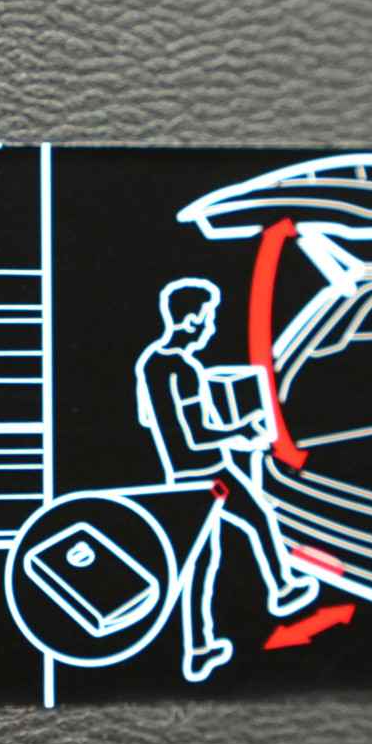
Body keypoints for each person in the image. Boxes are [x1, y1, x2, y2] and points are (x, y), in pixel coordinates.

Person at [134, 278, 320, 682]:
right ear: (190, 320)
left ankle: (201, 647)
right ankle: (281, 589)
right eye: (208, 317)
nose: (212, 326)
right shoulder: (184, 368)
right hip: (206, 474)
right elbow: (197, 435)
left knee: (206, 559)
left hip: (180, 475)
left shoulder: (150, 363)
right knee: (253, 522)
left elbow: (148, 420)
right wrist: (241, 431)